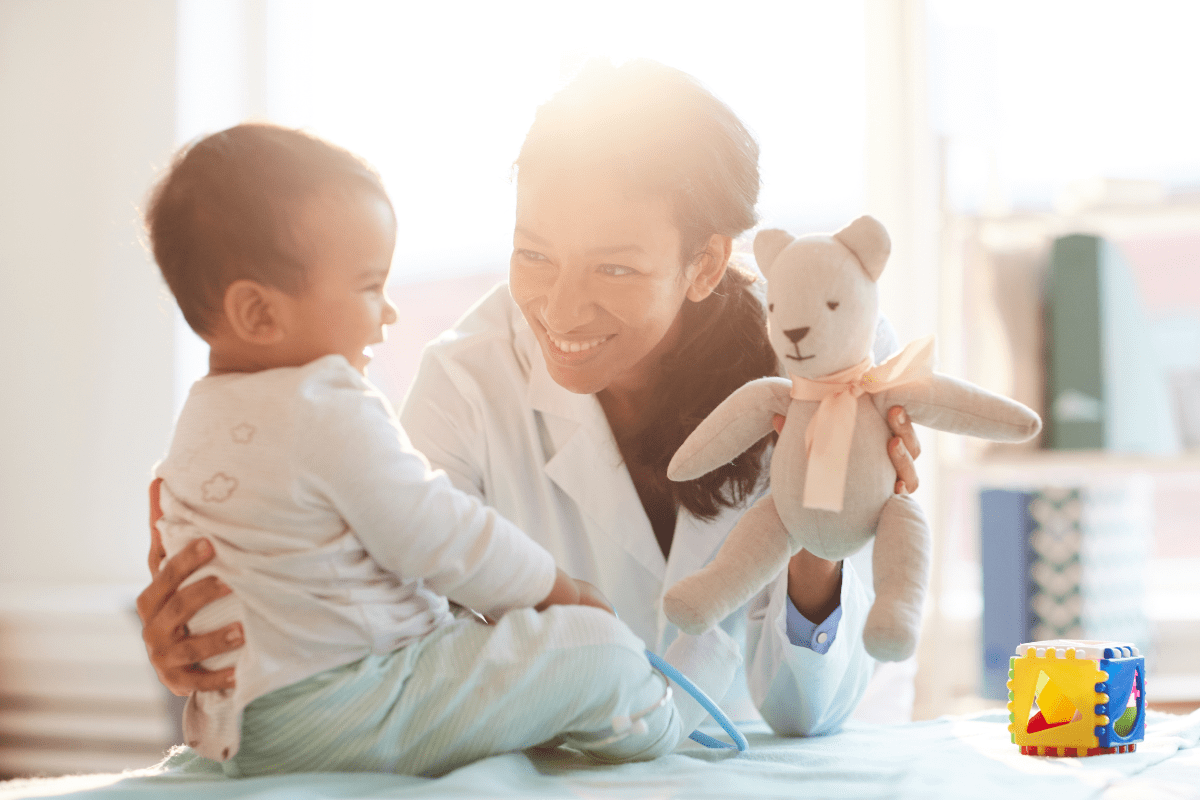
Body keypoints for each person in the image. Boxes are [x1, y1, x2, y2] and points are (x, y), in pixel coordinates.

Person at [138, 60, 923, 746]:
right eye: (534, 255)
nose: (560, 307)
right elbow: (396, 641)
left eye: (614, 270)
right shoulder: (465, 383)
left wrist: (823, 519)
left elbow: (805, 713)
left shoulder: (822, 356)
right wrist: (250, 620)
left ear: (706, 263)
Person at [142, 122, 705, 777]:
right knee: (599, 650)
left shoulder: (197, 427)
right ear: (259, 315)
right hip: (350, 703)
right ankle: (655, 725)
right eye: (367, 286)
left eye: (614, 263)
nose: (389, 313)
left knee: (496, 661)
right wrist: (557, 587)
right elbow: (439, 532)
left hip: (247, 731)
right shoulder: (325, 404)